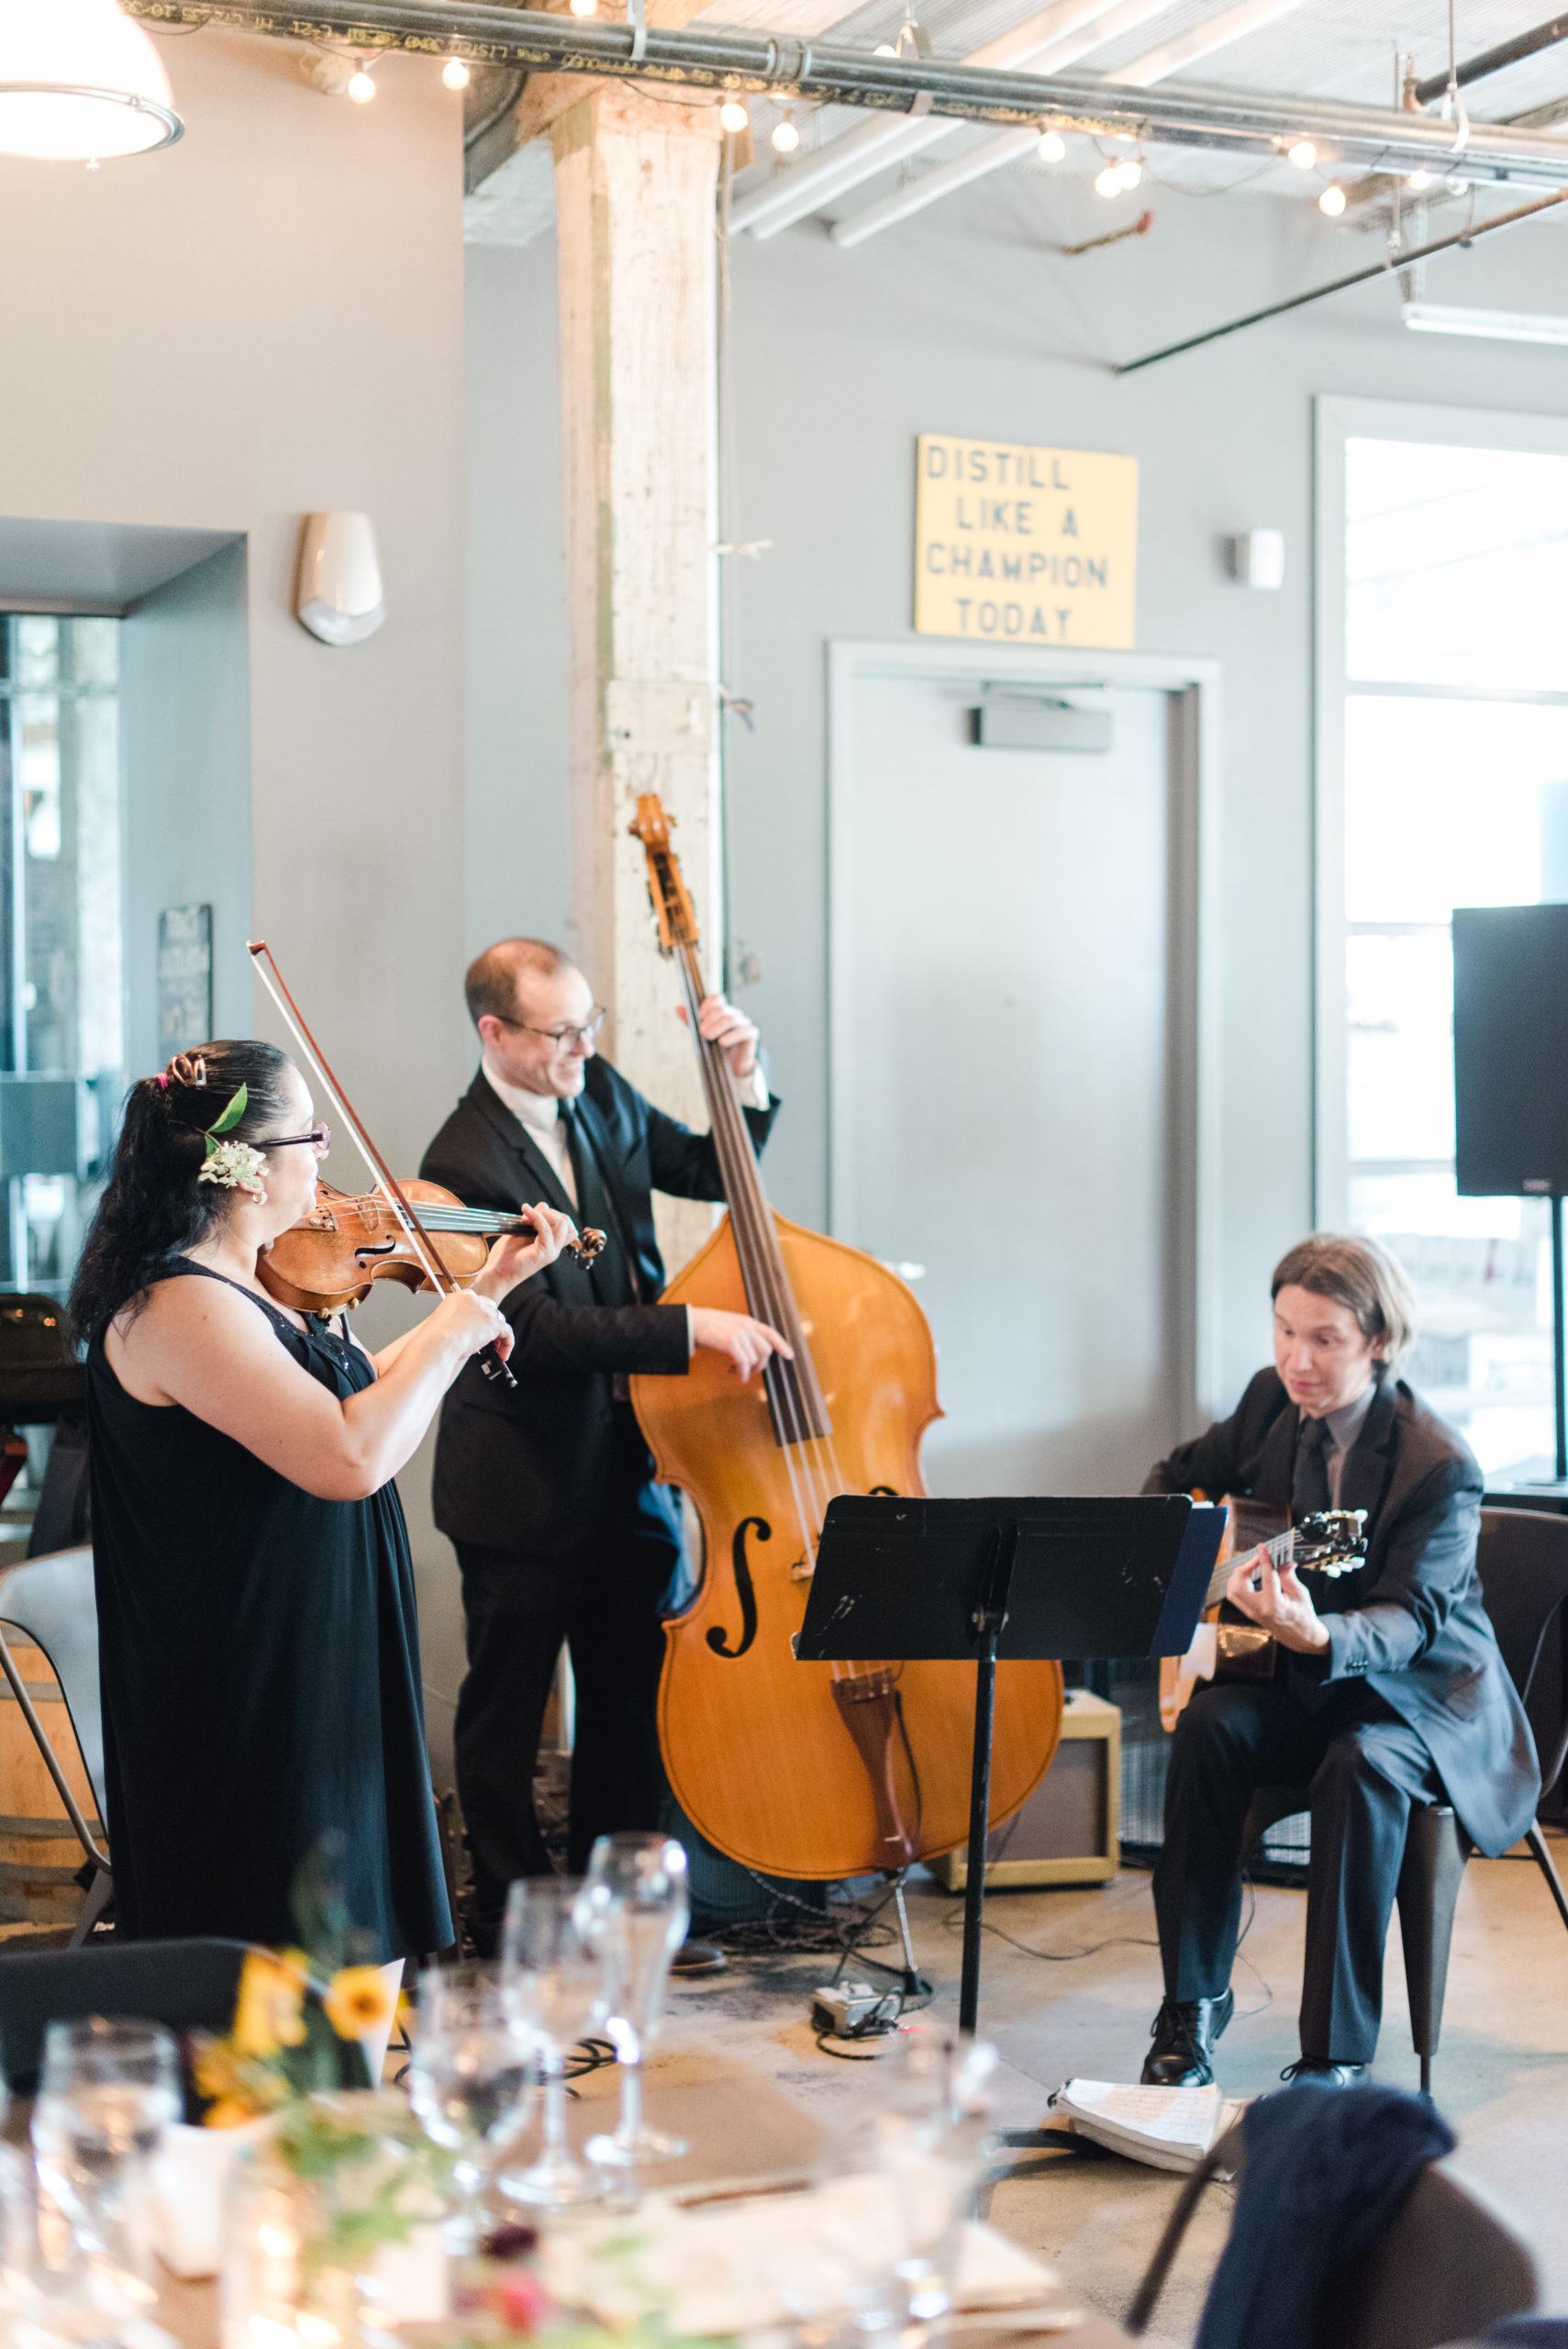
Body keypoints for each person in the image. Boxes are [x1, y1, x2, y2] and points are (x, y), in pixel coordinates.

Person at [71, 1040, 575, 1959]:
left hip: (319, 1645)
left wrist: (486, 1289)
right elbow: (348, 1452)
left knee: (357, 1940)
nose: (327, 1152)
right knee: (295, 1949)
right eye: (309, 1132)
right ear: (247, 1166)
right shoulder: (180, 1305)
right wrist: (456, 1328)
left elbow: (347, 1399)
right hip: (250, 1677)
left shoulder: (246, 1285)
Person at [419, 938, 789, 1947]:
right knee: (506, 1714)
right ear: (495, 1033)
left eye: (590, 1024)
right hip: (520, 1481)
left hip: (631, 1466)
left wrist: (744, 1075)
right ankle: (506, 1910)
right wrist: (689, 1330)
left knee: (629, 1698)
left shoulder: (601, 1089)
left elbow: (716, 1172)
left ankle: (614, 1905)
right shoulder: (463, 1160)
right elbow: (533, 1332)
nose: (584, 1045)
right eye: (561, 1031)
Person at [1141, 1232, 1539, 2087]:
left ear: (1378, 1341)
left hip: (1419, 1701)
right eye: (1285, 1331)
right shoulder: (1268, 1402)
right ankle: (1191, 2005)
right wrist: (1190, 1552)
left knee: (1358, 1766)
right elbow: (1176, 1475)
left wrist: (1313, 1633)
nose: (1297, 1360)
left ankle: (1333, 2057)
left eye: (1323, 1340)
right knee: (1209, 1726)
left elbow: (1410, 1621)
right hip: (1306, 1679)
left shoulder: (1438, 1463)